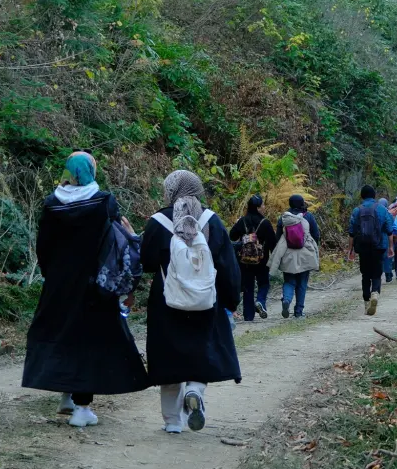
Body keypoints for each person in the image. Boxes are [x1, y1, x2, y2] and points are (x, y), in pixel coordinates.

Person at [23, 152, 150, 427]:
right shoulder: (103, 201)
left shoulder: (51, 204)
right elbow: (116, 239)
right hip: (94, 284)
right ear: (91, 171)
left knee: (62, 334)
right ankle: (82, 408)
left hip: (59, 283)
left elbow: (42, 246)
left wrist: (51, 274)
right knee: (87, 341)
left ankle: (65, 396)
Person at [140, 170, 241, 433]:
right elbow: (228, 266)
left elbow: (148, 262)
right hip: (206, 302)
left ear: (170, 190)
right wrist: (231, 300)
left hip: (167, 302)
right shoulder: (213, 222)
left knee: (169, 358)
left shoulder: (158, 222)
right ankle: (194, 391)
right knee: (201, 352)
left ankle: (173, 422)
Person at [269, 194, 320, 318]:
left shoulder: (284, 218)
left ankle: (286, 300)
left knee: (289, 281)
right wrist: (312, 248)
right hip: (305, 253)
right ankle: (298, 312)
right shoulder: (308, 216)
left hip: (288, 253)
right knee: (302, 283)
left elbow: (278, 237)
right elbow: (316, 234)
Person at [229, 196, 277, 321]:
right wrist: (274, 260)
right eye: (262, 205)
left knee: (247, 287)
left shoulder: (242, 221)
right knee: (264, 283)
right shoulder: (265, 223)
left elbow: (232, 236)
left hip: (244, 260)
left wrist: (238, 225)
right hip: (262, 259)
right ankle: (260, 301)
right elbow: (273, 243)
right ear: (257, 207)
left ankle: (248, 316)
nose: (264, 207)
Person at [349, 185, 394, 316]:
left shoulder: (357, 210)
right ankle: (375, 292)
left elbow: (351, 232)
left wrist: (350, 249)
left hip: (362, 247)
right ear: (374, 196)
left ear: (362, 196)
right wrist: (391, 246)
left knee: (365, 275)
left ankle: (366, 301)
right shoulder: (382, 209)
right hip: (379, 246)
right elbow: (389, 229)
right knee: (377, 273)